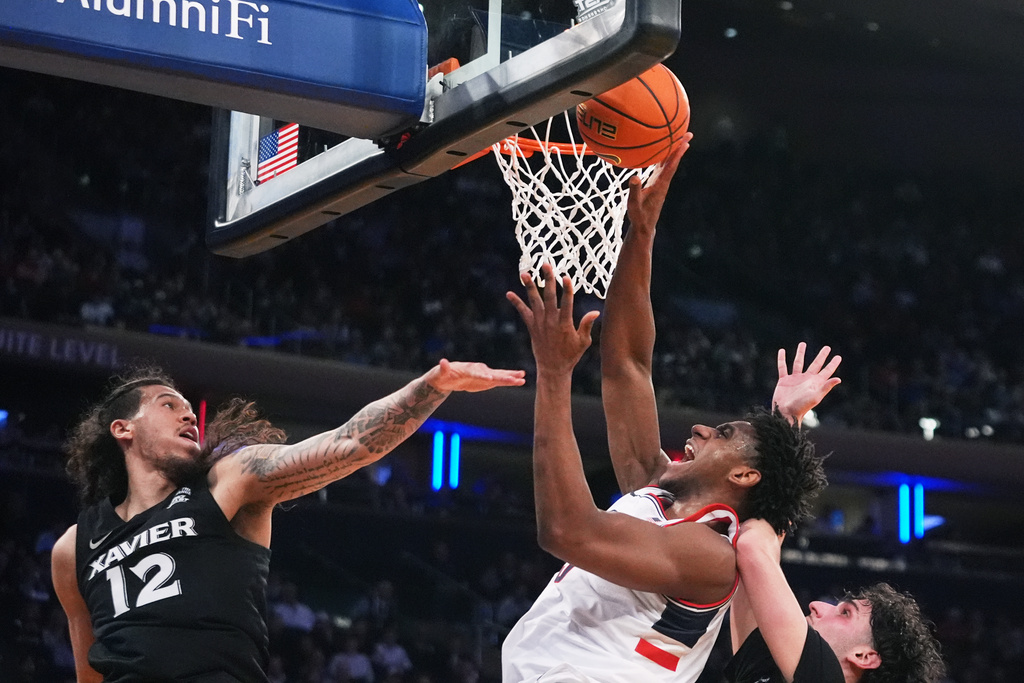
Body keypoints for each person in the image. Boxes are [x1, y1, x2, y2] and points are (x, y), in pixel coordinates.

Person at [502, 137, 840, 682]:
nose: (702, 428)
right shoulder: (658, 490)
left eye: (723, 433)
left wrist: (557, 374)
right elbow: (627, 366)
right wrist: (640, 232)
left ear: (744, 473)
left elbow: (566, 530)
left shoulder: (711, 556)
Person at [50, 359, 524, 682]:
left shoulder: (226, 481)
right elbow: (90, 672)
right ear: (122, 429)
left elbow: (346, 445)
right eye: (167, 404)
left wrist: (432, 386)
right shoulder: (74, 548)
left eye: (187, 406)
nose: (188, 413)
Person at [727, 518, 946, 683]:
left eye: (845, 613)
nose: (816, 605)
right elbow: (746, 563)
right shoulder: (772, 671)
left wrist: (775, 504)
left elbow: (749, 547)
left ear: (863, 656)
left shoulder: (826, 678)